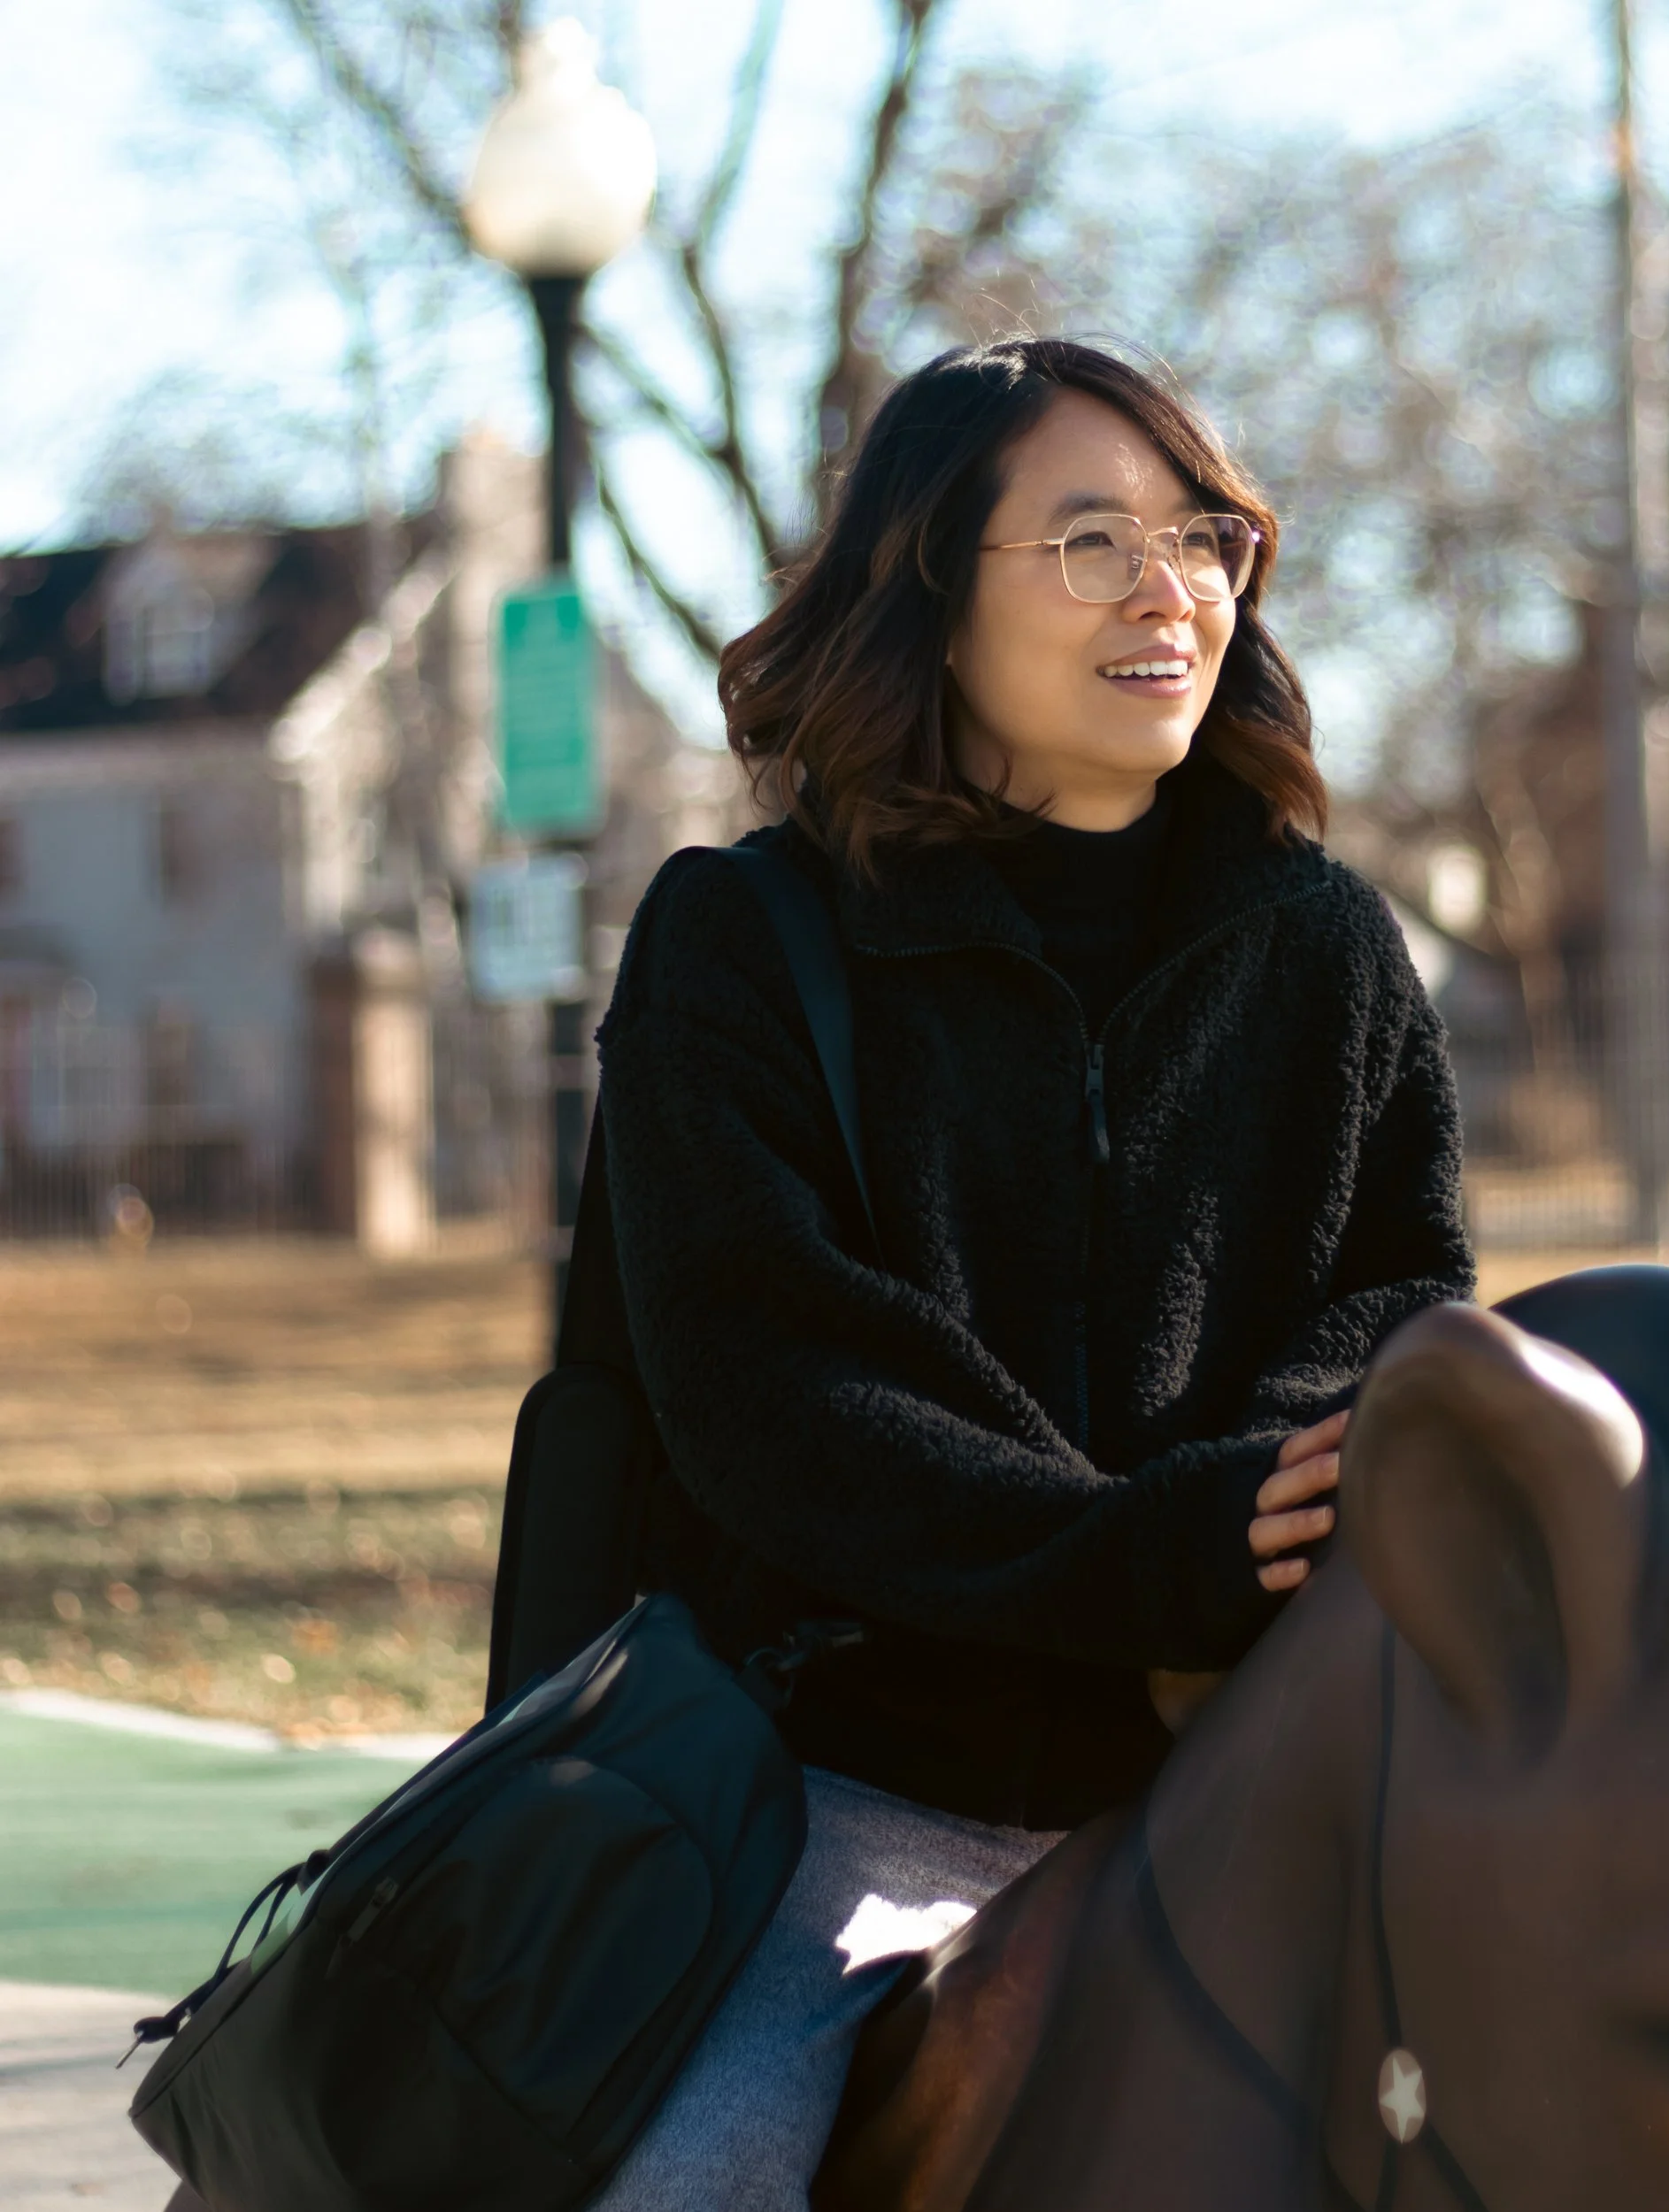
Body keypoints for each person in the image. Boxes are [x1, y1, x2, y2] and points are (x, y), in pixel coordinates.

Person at [588, 336, 1474, 2210]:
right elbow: (775, 1388)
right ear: (928, 588)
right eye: (1090, 542)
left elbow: (1403, 1295)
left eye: (1204, 539)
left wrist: (1255, 1514)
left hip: (1259, 1784)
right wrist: (1145, 1558)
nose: (1169, 592)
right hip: (839, 1809)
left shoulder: (1326, 948)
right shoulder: (743, 941)